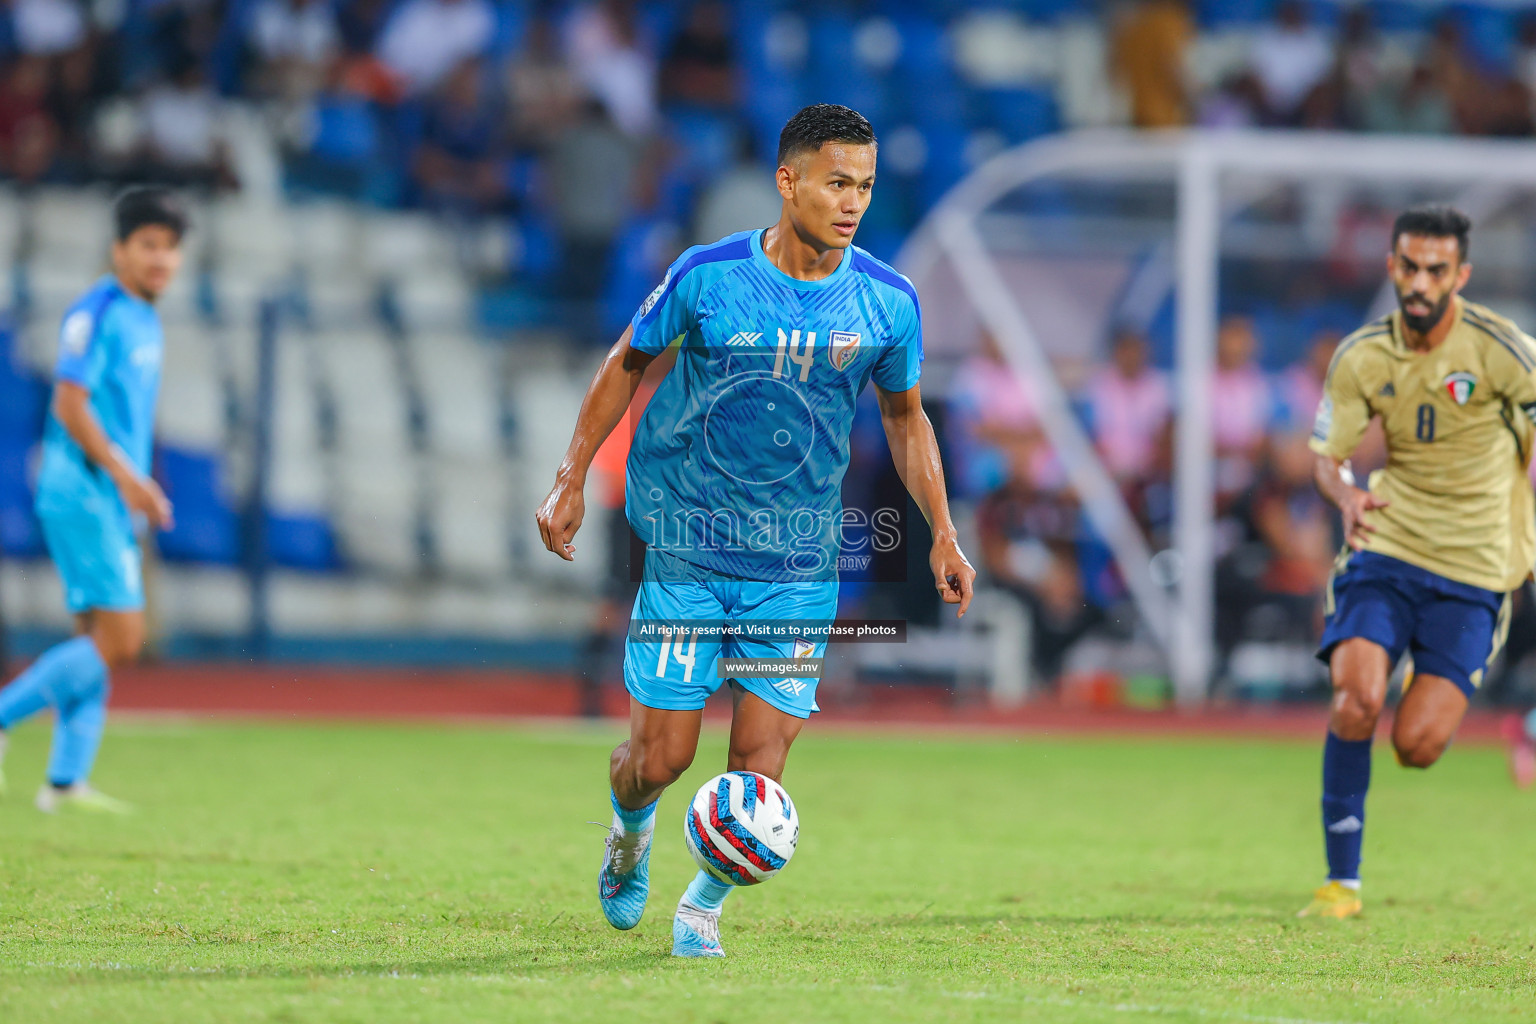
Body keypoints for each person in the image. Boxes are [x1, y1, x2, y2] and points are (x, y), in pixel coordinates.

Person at [534, 104, 974, 957]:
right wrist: (571, 477)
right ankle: (630, 829)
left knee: (759, 772)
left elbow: (908, 420)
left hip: (798, 565)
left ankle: (700, 908)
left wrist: (942, 532)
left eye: (867, 186)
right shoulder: (708, 275)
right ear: (789, 181)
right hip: (689, 551)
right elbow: (626, 365)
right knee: (660, 759)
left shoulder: (887, 302)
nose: (853, 202)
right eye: (838, 182)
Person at [1301, 205, 1536, 917]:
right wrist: (1343, 494)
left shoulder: (1502, 350)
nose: (1421, 281)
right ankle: (1342, 883)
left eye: (1437, 269)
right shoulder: (1363, 355)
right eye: (1410, 266)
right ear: (1391, 266)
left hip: (1475, 569)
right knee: (1357, 699)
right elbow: (1327, 459)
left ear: (1460, 274)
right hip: (1388, 548)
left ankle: (1461, 700)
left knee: (1418, 744)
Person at [0, 187, 184, 812]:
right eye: (149, 245)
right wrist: (128, 477)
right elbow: (69, 403)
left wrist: (131, 482)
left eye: (170, 247)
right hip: (84, 487)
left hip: (106, 492)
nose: (161, 259)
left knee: (94, 633)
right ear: (119, 249)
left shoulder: (146, 316)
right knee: (124, 639)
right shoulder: (97, 311)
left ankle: (63, 782)